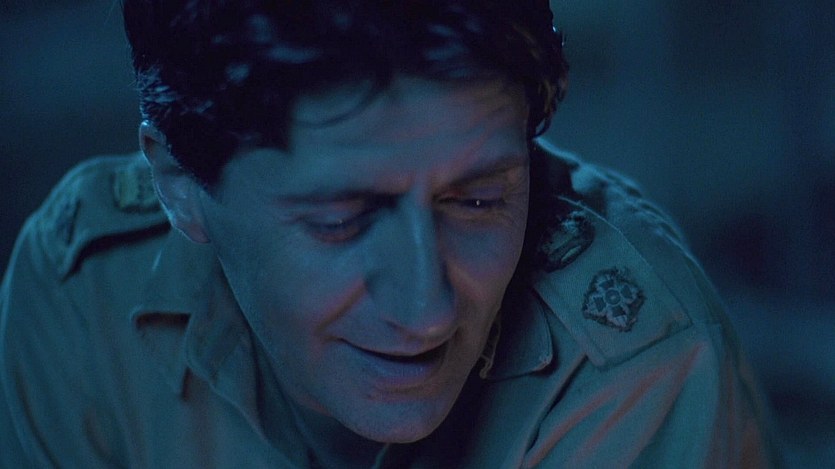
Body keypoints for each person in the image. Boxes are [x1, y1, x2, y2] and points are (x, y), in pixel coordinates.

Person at [0, 1, 781, 467]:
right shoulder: (83, 290)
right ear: (179, 184)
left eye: (478, 200)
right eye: (340, 220)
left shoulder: (635, 368)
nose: (427, 308)